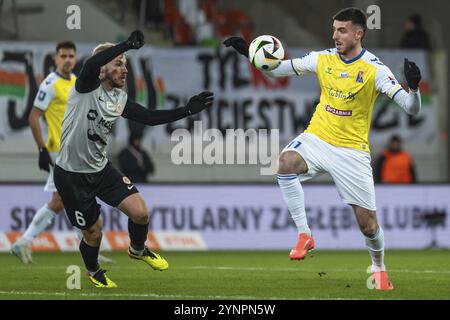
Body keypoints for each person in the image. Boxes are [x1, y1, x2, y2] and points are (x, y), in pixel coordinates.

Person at [224, 7, 422, 290]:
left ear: (358, 33)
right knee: (285, 163)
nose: (335, 35)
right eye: (334, 29)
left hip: (352, 151)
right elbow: (280, 68)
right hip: (317, 137)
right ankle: (305, 235)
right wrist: (250, 54)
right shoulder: (322, 59)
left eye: (342, 30)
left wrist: (414, 89)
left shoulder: (375, 70)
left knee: (368, 226)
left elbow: (411, 109)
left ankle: (378, 268)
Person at [53, 30, 214, 288]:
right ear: (103, 68)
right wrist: (125, 45)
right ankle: (94, 271)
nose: (125, 69)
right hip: (71, 175)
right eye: (119, 63)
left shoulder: (118, 99)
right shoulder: (84, 87)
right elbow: (91, 64)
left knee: (141, 213)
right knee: (94, 233)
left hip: (101, 168)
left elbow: (149, 117)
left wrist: (186, 110)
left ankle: (138, 249)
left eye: (125, 64)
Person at [10, 41, 114, 265]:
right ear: (56, 59)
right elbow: (33, 116)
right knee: (61, 200)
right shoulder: (50, 83)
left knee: (71, 200)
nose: (67, 60)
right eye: (63, 56)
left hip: (75, 151)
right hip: (59, 152)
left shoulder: (77, 82)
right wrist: (41, 149)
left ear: (75, 58)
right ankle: (24, 241)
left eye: (71, 56)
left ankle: (88, 248)